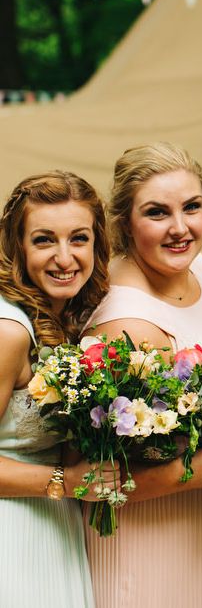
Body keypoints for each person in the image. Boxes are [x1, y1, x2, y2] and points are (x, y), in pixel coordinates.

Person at [83, 142, 202, 608]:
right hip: (155, 537)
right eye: (157, 213)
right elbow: (94, 477)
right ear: (124, 223)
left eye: (192, 207)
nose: (180, 228)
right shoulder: (121, 320)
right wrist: (189, 472)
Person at [0, 171, 112, 607]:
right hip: (12, 533)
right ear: (18, 248)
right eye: (45, 240)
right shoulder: (10, 331)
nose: (65, 258)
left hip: (55, 529)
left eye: (78, 239)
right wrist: (66, 481)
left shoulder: (68, 324)